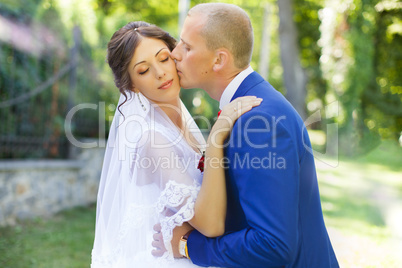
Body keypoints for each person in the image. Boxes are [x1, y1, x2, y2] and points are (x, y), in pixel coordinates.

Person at [152, 3, 339, 267]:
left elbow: (272, 245)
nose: (175, 54)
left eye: (187, 46)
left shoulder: (258, 122)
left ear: (219, 60)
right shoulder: (245, 108)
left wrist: (187, 245)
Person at [90, 21, 262, 267]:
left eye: (163, 58)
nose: (160, 73)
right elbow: (211, 225)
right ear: (130, 85)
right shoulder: (152, 138)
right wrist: (216, 138)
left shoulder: (182, 122)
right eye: (143, 70)